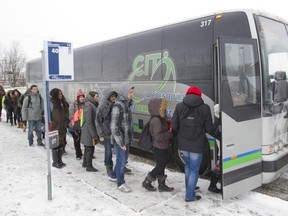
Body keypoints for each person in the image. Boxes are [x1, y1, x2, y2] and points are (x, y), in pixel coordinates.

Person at [172, 86, 213, 202]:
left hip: (183, 143)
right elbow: (208, 128)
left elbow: (174, 126)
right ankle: (189, 196)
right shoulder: (205, 108)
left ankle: (190, 189)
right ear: (199, 95)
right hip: (197, 143)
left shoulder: (180, 106)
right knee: (195, 169)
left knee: (188, 166)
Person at [142, 98, 174, 192]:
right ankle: (147, 181)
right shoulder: (156, 120)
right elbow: (158, 136)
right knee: (160, 166)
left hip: (163, 146)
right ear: (157, 108)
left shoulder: (160, 118)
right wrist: (170, 134)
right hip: (159, 147)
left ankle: (162, 185)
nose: (164, 108)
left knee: (162, 165)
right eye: (163, 106)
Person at [109, 83, 134, 193]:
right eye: (130, 92)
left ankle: (113, 176)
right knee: (121, 162)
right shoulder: (118, 106)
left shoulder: (127, 104)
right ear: (124, 92)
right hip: (120, 140)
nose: (132, 94)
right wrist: (121, 143)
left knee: (123, 160)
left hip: (126, 139)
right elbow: (113, 127)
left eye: (132, 92)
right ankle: (120, 183)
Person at [96, 90, 118, 176]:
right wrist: (100, 134)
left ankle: (120, 166)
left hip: (114, 132)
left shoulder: (115, 105)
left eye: (115, 97)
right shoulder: (103, 105)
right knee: (108, 150)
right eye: (112, 96)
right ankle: (108, 166)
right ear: (109, 96)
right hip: (106, 132)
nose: (114, 98)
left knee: (117, 150)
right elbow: (97, 120)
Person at [50, 88, 69, 168]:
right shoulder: (51, 103)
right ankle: (55, 161)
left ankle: (60, 160)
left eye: (61, 94)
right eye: (58, 94)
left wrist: (66, 122)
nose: (60, 95)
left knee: (61, 143)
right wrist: (53, 124)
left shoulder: (64, 103)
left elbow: (67, 113)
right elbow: (47, 115)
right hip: (55, 127)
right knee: (55, 144)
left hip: (62, 126)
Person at [81, 91, 99, 172]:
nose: (97, 98)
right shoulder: (89, 105)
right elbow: (89, 121)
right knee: (90, 148)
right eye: (96, 96)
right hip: (88, 130)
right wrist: (94, 134)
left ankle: (85, 163)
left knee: (87, 148)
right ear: (92, 97)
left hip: (87, 130)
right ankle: (89, 166)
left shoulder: (90, 104)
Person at [68, 89, 86, 160]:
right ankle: (78, 154)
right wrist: (77, 117)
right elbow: (70, 116)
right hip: (74, 127)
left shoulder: (85, 104)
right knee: (76, 140)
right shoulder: (73, 104)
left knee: (85, 140)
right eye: (80, 97)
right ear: (77, 97)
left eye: (83, 97)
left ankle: (87, 153)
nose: (82, 98)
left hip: (83, 126)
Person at [208, 104, 221, 193]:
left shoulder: (218, 117)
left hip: (222, 144)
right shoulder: (218, 118)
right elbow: (213, 131)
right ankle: (212, 186)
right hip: (222, 144)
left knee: (219, 164)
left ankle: (213, 185)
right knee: (219, 165)